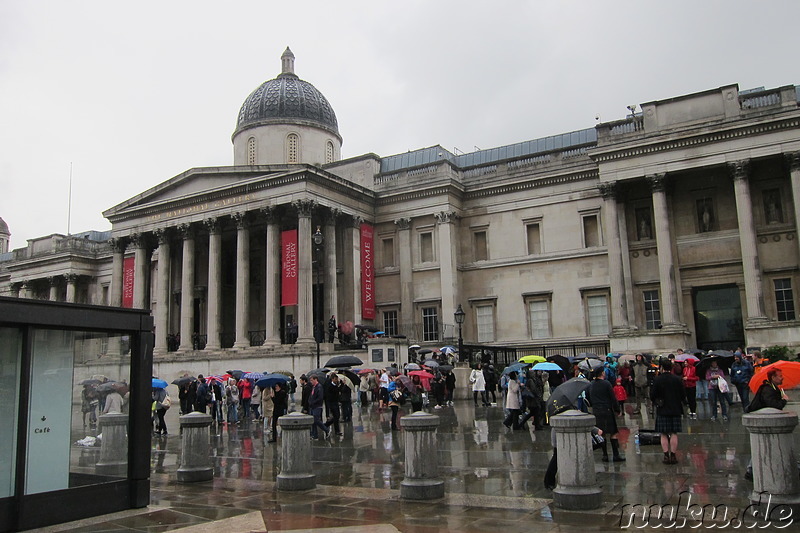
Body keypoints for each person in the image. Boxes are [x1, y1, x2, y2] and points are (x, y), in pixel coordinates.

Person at [651, 359, 686, 465]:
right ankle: (673, 455)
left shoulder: (657, 380)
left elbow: (652, 395)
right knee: (674, 433)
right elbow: (683, 395)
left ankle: (666, 455)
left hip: (662, 409)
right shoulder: (677, 379)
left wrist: (657, 402)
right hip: (675, 408)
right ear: (671, 368)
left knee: (664, 434)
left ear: (662, 367)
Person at [587, 367, 624, 462]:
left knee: (601, 433)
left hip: (596, 411)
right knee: (613, 433)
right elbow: (612, 397)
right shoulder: (606, 384)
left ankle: (605, 455)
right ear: (602, 373)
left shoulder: (591, 385)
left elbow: (588, 398)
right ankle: (616, 455)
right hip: (607, 410)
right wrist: (617, 409)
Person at [309, 375, 330, 440]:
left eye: (312, 380)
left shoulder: (319, 387)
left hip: (317, 406)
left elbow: (320, 398)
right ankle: (314, 435)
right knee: (313, 421)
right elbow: (311, 396)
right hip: (312, 406)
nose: (311, 382)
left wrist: (313, 402)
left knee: (316, 420)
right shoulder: (314, 387)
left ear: (315, 380)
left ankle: (326, 429)